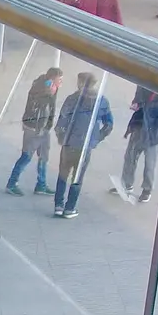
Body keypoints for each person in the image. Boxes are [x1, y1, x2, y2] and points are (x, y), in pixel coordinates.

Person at [52, 71, 115, 218]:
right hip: (85, 146)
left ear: (81, 83)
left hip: (69, 144)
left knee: (63, 175)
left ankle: (58, 205)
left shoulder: (72, 99)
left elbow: (61, 122)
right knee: (77, 177)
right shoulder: (101, 101)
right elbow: (109, 125)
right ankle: (70, 208)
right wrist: (95, 139)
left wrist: (62, 138)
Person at [4, 67, 62, 197]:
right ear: (52, 79)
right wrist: (49, 94)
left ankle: (41, 184)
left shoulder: (50, 88)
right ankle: (12, 183)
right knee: (26, 156)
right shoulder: (42, 90)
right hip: (34, 129)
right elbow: (38, 105)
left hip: (44, 129)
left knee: (43, 157)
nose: (61, 83)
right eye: (59, 80)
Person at [110, 88, 158, 203]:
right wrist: (137, 102)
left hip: (155, 132)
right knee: (130, 156)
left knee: (150, 162)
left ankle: (147, 190)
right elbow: (140, 91)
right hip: (141, 125)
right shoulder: (148, 80)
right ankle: (126, 184)